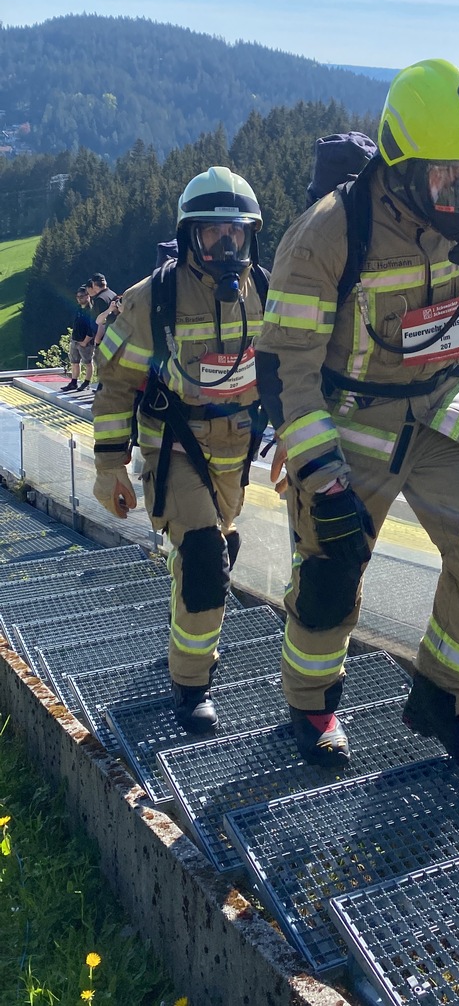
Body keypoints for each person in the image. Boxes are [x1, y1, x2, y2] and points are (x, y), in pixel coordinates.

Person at [255, 59, 459, 772]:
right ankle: (312, 705)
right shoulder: (328, 234)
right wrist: (320, 471)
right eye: (447, 177)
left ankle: (447, 700)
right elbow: (286, 366)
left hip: (442, 410)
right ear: (401, 165)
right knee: (330, 575)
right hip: (348, 422)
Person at [91, 166, 267, 734]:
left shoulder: (266, 292)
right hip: (175, 447)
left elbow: (291, 369)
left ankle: (199, 563)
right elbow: (115, 383)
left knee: (213, 547)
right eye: (213, 233)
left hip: (237, 451)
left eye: (236, 233)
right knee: (203, 561)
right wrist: (108, 465)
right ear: (190, 235)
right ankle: (191, 684)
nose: (225, 244)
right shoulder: (151, 301)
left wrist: (293, 432)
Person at [61, 286, 98, 392]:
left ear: (88, 296)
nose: (79, 299)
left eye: (82, 296)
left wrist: (86, 341)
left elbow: (92, 327)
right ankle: (74, 382)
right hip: (75, 339)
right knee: (74, 362)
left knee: (88, 362)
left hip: (85, 342)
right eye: (78, 297)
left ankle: (86, 382)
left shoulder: (91, 310)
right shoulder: (78, 308)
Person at [87, 274, 118, 347]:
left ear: (94, 285)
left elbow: (101, 323)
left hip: (105, 339)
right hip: (116, 333)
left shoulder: (100, 299)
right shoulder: (112, 294)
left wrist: (97, 341)